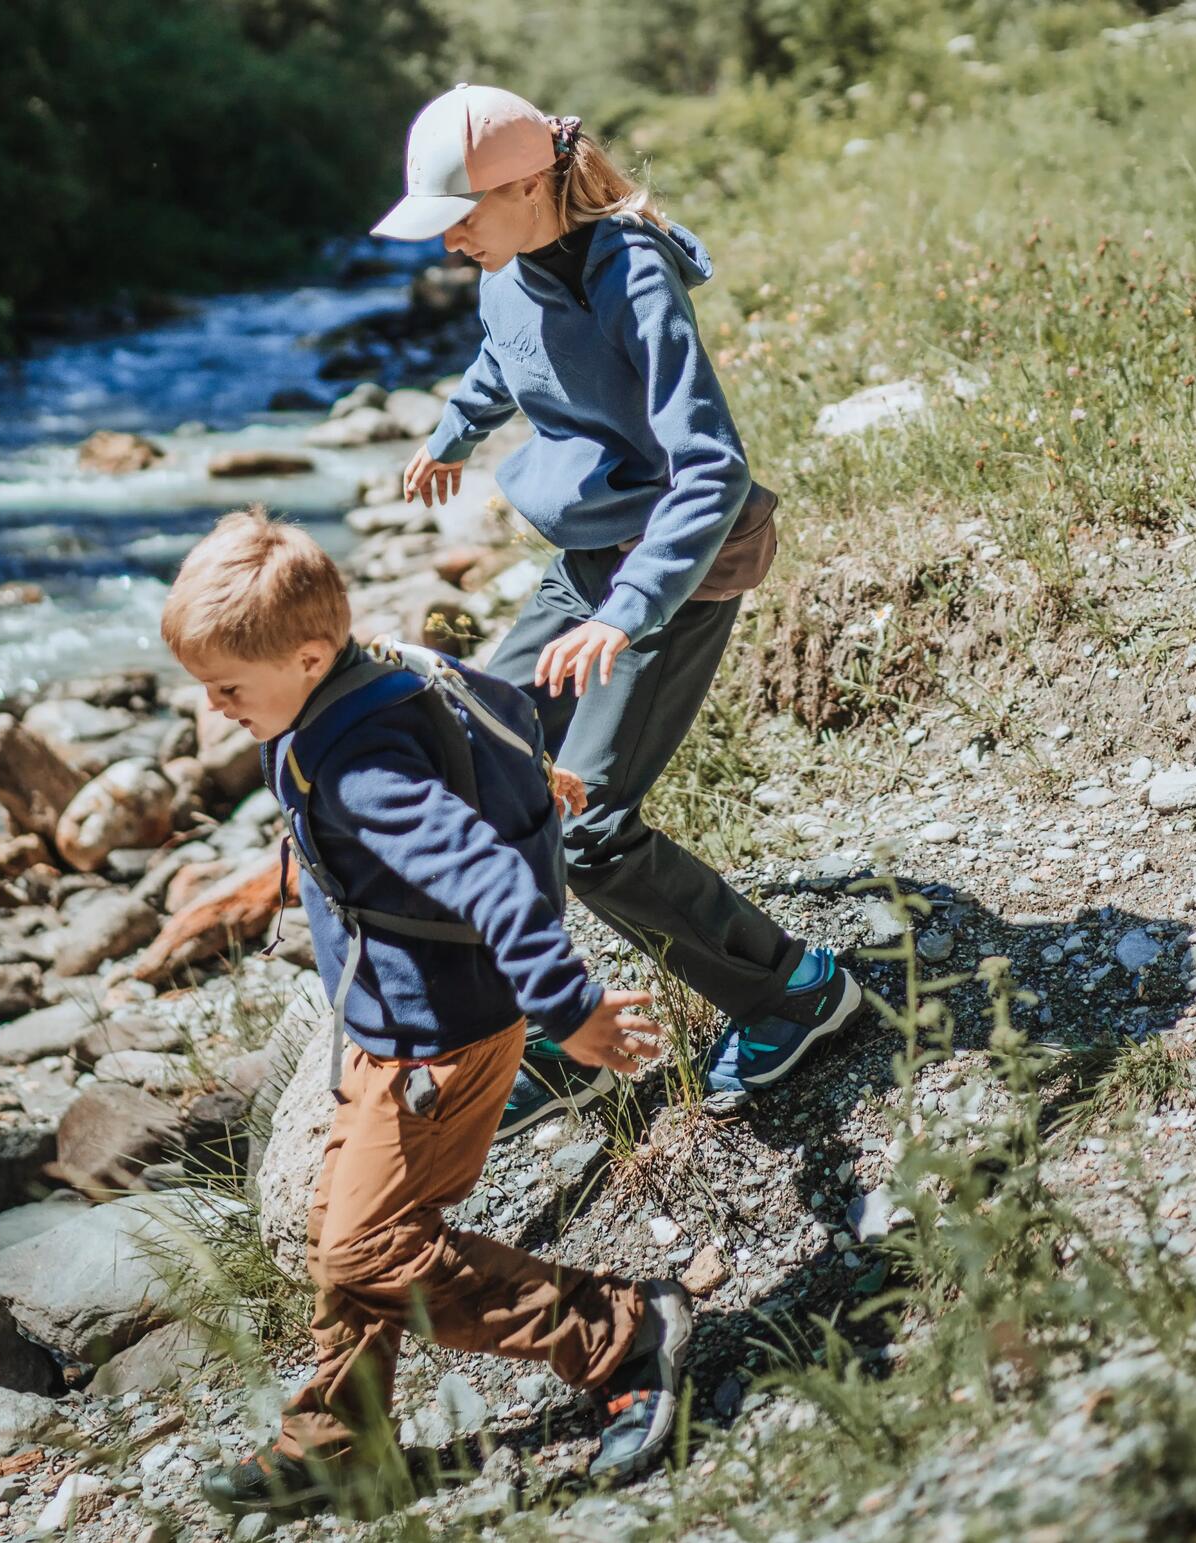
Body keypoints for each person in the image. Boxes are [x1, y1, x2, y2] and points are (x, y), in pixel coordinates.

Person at [160, 509, 693, 1516]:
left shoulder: (362, 768)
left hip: (438, 1040)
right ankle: (335, 1440)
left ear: (307, 656)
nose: (214, 706)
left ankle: (621, 1331)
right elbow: (491, 703)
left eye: (226, 686)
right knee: (347, 1232)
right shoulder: (367, 671)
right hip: (387, 1026)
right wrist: (538, 775)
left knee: (370, 1250)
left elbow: (489, 874)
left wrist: (568, 1005)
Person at [370, 83, 864, 1136]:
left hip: (675, 568)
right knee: (482, 749)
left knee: (590, 828)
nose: (450, 239)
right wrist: (455, 431)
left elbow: (713, 468)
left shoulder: (629, 271)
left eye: (461, 215)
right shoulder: (502, 268)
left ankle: (798, 992)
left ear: (525, 184)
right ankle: (562, 1025)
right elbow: (504, 357)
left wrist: (628, 610)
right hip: (590, 561)